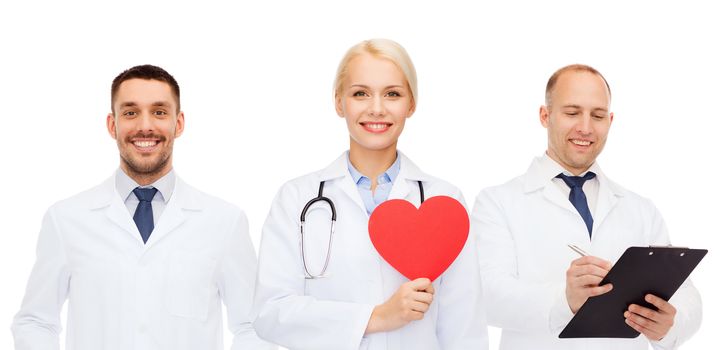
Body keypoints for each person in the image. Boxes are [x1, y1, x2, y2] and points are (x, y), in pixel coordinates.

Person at [11, 65, 272, 350]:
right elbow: (36, 322)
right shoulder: (66, 219)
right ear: (113, 125)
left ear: (179, 123)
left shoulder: (224, 222)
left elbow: (254, 326)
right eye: (130, 112)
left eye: (159, 112)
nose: (145, 126)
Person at [253, 39, 488, 350]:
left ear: (411, 104)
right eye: (360, 93)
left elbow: (464, 329)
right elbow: (271, 313)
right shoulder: (297, 199)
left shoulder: (444, 200)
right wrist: (376, 317)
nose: (376, 108)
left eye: (392, 94)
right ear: (339, 103)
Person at [471, 64, 702, 349]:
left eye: (598, 115)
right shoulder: (497, 202)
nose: (585, 127)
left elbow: (686, 294)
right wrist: (565, 299)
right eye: (571, 113)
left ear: (611, 120)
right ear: (545, 116)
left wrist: (670, 324)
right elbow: (486, 296)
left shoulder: (640, 209)